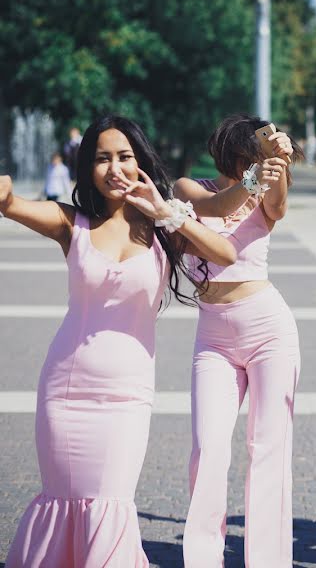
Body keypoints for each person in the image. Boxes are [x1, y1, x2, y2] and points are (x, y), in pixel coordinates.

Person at [2, 115, 236, 568]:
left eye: (125, 157)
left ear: (141, 162)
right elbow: (10, 201)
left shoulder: (165, 229)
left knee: (111, 499)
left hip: (128, 395)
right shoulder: (72, 224)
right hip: (66, 390)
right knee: (64, 497)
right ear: (87, 168)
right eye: (102, 158)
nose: (115, 168)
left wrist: (163, 210)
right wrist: (6, 190)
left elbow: (224, 253)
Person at [174, 114, 303, 567]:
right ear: (231, 152)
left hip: (268, 329)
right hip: (213, 335)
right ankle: (203, 558)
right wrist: (255, 175)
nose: (256, 164)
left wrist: (280, 165)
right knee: (208, 449)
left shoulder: (266, 190)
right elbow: (217, 209)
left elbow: (278, 208)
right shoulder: (189, 190)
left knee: (268, 449)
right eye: (249, 154)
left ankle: (267, 560)